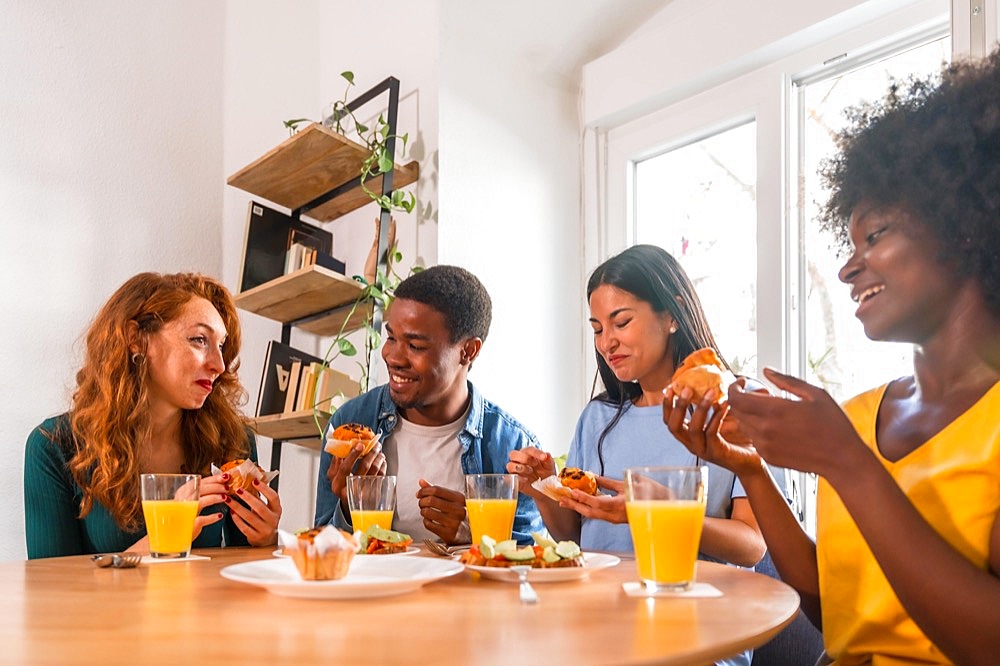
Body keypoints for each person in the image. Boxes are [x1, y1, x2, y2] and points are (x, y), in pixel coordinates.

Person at [664, 49, 1000, 664]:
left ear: (967, 226)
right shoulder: (860, 414)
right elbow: (833, 605)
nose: (847, 267)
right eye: (848, 243)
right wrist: (751, 470)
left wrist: (847, 464)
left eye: (875, 236)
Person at [509, 245, 767, 563]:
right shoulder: (597, 417)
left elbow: (752, 546)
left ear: (673, 314)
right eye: (598, 329)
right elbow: (576, 537)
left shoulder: (735, 404)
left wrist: (660, 512)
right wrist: (544, 488)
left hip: (696, 604)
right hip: (601, 603)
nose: (606, 343)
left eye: (621, 322)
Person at [24, 272, 282, 559]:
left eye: (221, 346)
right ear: (136, 339)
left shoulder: (234, 441)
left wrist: (266, 539)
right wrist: (165, 537)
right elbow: (50, 590)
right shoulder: (54, 447)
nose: (219, 365)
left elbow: (244, 575)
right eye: (199, 339)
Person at [314, 265, 543, 545]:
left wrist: (474, 535)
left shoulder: (512, 448)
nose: (393, 357)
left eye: (415, 346)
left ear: (468, 351)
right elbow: (321, 546)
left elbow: (529, 562)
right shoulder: (351, 424)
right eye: (391, 338)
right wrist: (349, 509)